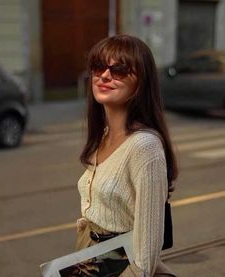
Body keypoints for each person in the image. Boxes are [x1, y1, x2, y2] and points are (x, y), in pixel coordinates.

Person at [75, 34, 178, 277]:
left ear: (141, 82)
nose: (105, 76)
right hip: (92, 259)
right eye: (99, 67)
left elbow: (145, 256)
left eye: (119, 69)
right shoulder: (104, 134)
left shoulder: (145, 147)